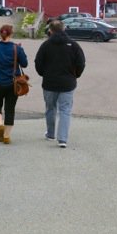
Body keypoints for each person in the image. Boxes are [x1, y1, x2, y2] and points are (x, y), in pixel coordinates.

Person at [34, 19, 86, 149]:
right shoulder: (73, 45)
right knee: (65, 110)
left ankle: (51, 134)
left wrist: (43, 74)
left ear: (50, 31)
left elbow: (38, 63)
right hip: (67, 83)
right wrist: (75, 75)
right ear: (64, 29)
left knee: (50, 108)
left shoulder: (45, 45)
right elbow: (81, 63)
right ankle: (62, 139)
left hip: (49, 82)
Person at [0, 24, 28, 144]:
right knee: (10, 109)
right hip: (13, 84)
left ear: (0, 34)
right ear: (11, 34)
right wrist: (21, 50)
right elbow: (24, 64)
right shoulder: (16, 49)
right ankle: (7, 135)